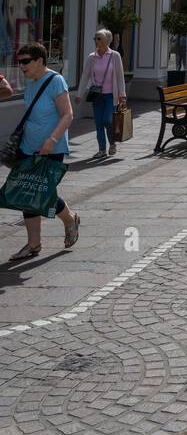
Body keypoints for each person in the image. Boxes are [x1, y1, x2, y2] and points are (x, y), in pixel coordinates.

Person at [5, 42, 80, 262]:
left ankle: (69, 219)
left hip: (50, 148)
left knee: (41, 192)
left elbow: (68, 114)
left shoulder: (55, 81)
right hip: (29, 146)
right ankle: (34, 243)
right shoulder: (31, 82)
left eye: (26, 61)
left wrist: (52, 140)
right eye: (20, 62)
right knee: (29, 194)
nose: (22, 66)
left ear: (40, 61)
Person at [76, 28, 126, 159]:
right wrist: (79, 94)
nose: (96, 41)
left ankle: (112, 143)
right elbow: (85, 76)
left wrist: (122, 94)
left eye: (99, 38)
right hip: (97, 95)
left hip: (111, 95)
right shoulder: (92, 57)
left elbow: (120, 77)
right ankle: (102, 149)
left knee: (108, 120)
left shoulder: (115, 56)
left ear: (107, 41)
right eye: (95, 38)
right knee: (98, 123)